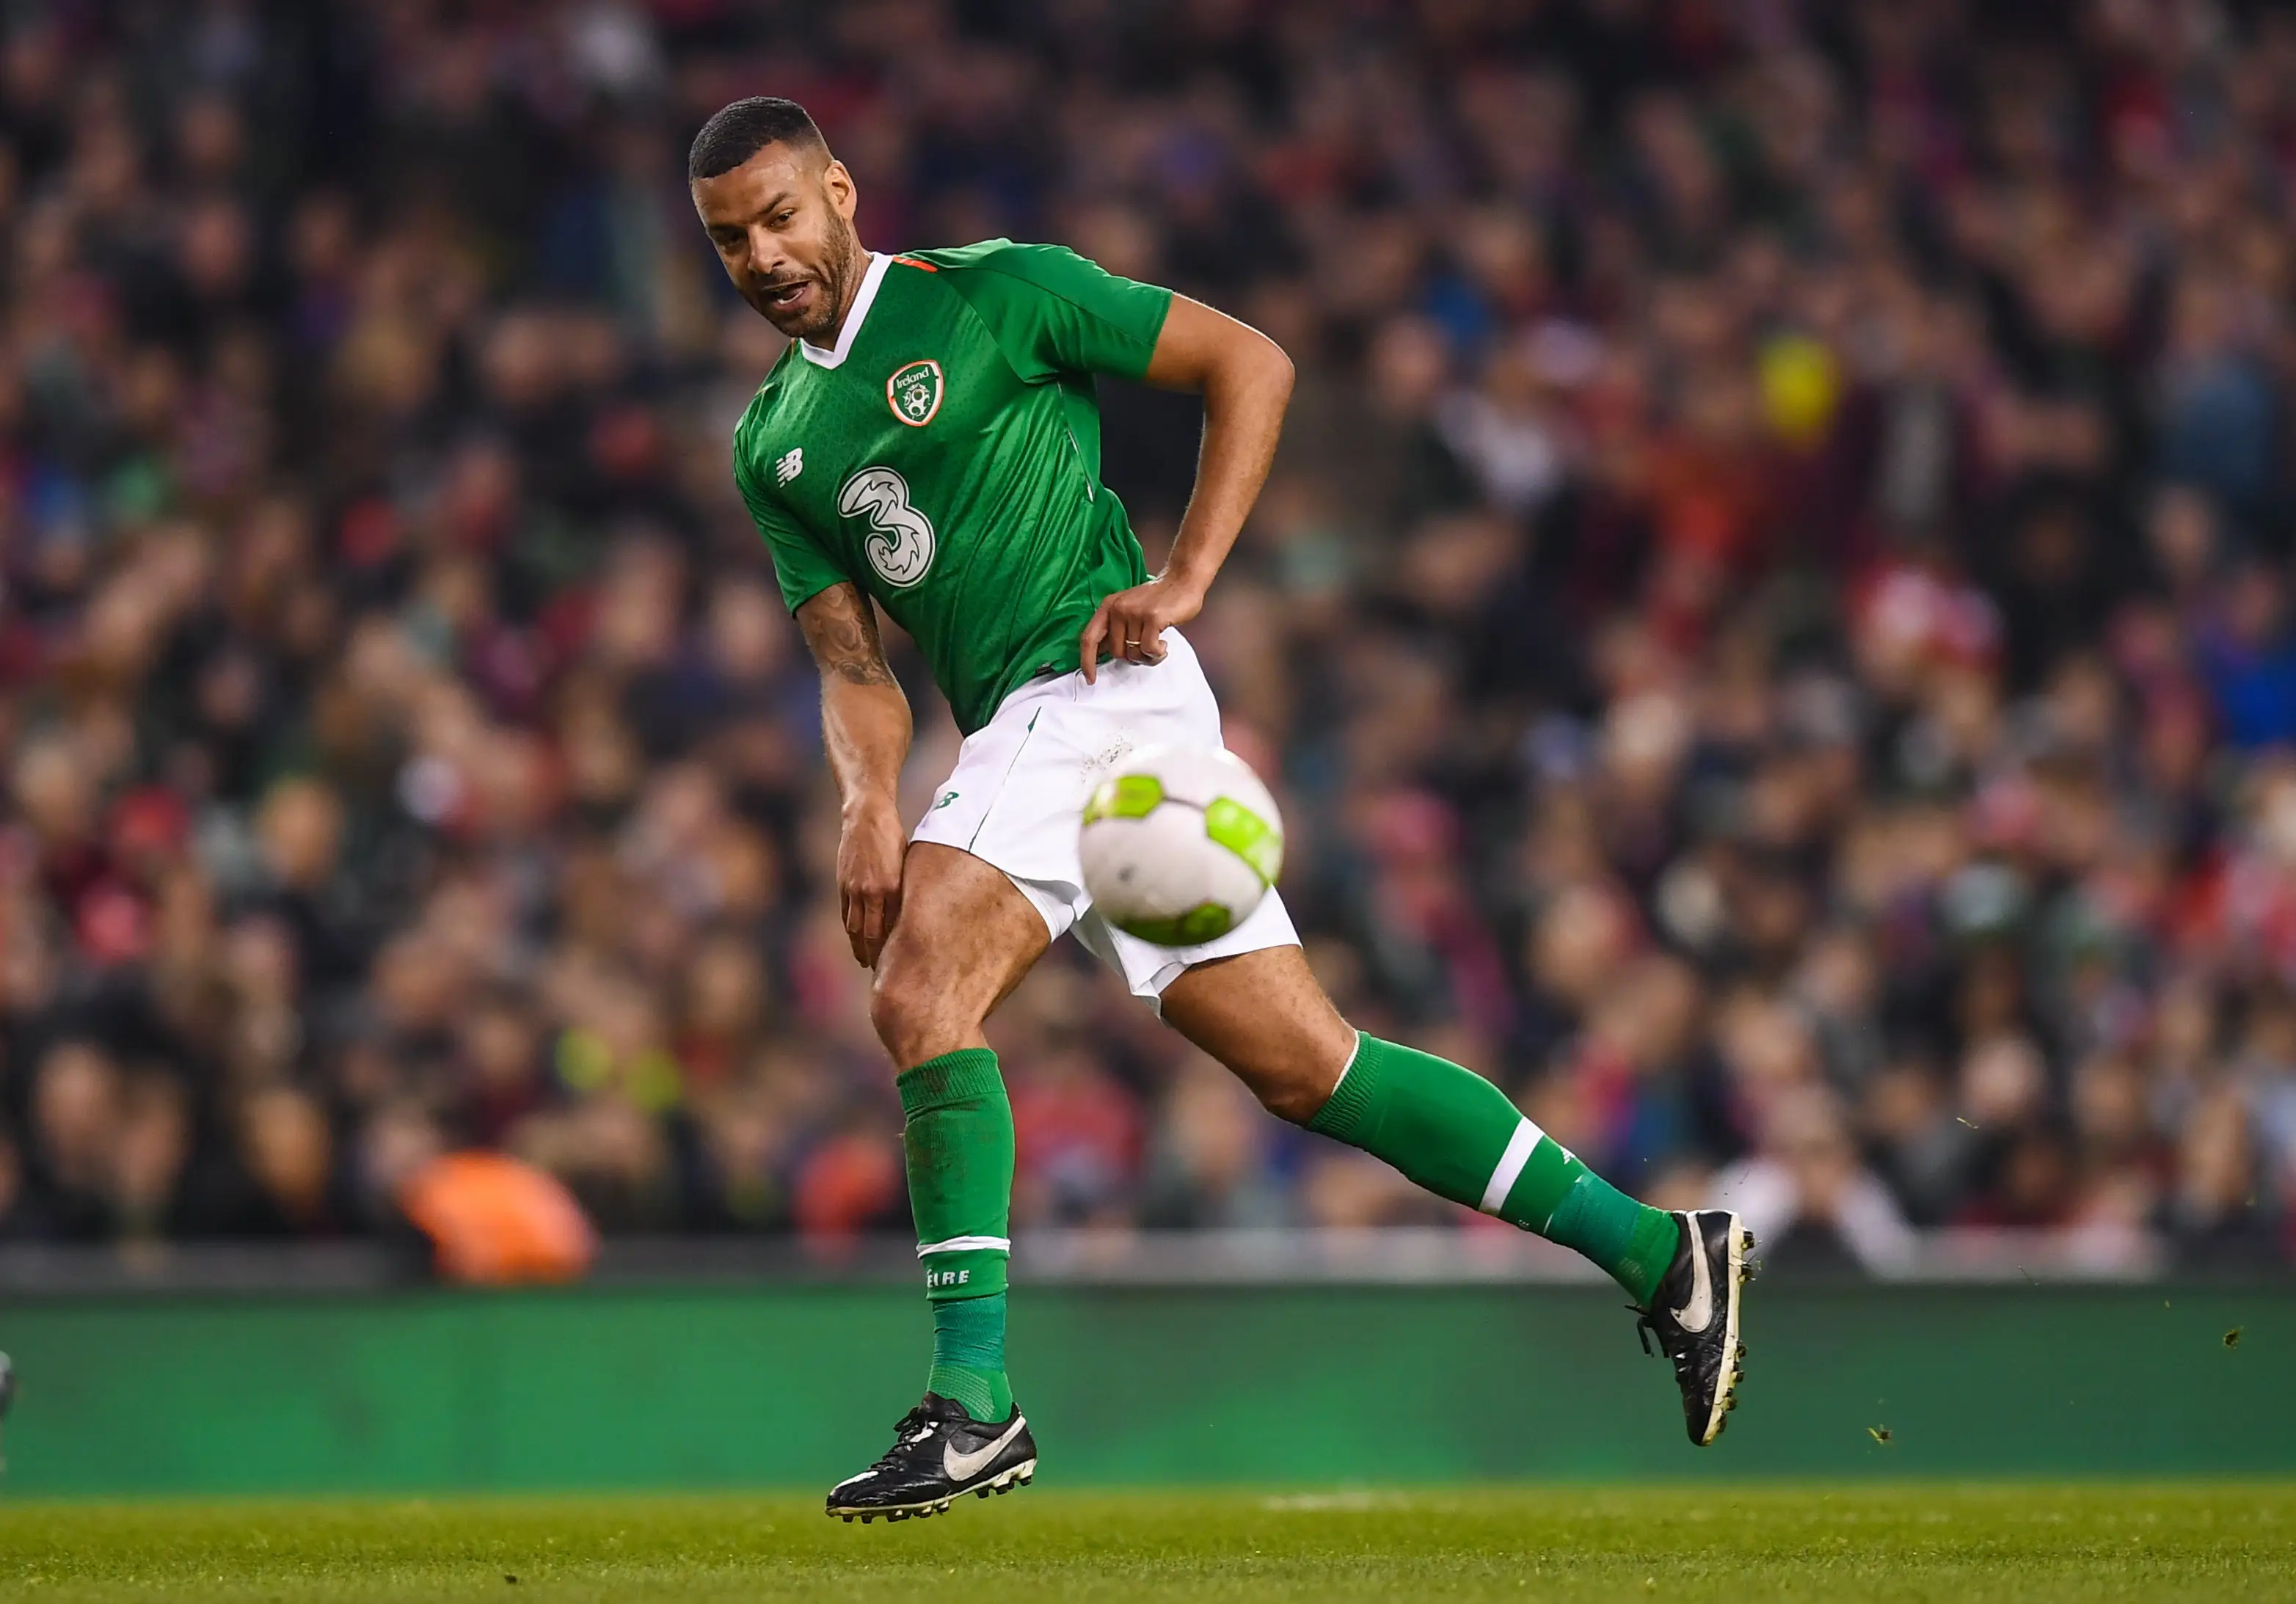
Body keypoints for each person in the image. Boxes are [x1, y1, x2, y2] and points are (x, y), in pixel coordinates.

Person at [688, 96, 1752, 1523]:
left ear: (838, 190)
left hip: (1092, 686)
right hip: (1053, 730)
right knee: (1308, 1066)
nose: (761, 253)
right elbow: (849, 665)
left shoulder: (996, 293)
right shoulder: (773, 441)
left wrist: (1186, 573)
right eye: (728, 239)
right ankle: (1659, 1254)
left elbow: (1247, 361)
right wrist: (864, 799)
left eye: (778, 215)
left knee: (918, 989)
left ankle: (974, 1401)